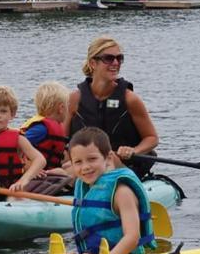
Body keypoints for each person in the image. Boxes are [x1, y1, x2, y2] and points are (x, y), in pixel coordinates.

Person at [42, 126, 158, 254]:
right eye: (78, 162)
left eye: (92, 159)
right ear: (71, 164)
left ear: (108, 158)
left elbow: (132, 238)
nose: (85, 167)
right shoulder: (86, 188)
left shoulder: (122, 192)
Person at [65, 37, 159, 180]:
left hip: (123, 165)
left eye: (119, 58)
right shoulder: (74, 99)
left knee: (109, 160)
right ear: (92, 63)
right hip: (87, 165)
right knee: (66, 168)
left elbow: (151, 138)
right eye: (109, 58)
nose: (115, 63)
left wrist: (134, 150)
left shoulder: (130, 99)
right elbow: (62, 140)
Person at [20, 81, 75, 195]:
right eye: (67, 105)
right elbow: (17, 144)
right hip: (34, 174)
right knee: (62, 171)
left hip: (47, 171)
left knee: (71, 165)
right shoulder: (41, 129)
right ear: (61, 108)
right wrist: (31, 167)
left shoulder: (51, 126)